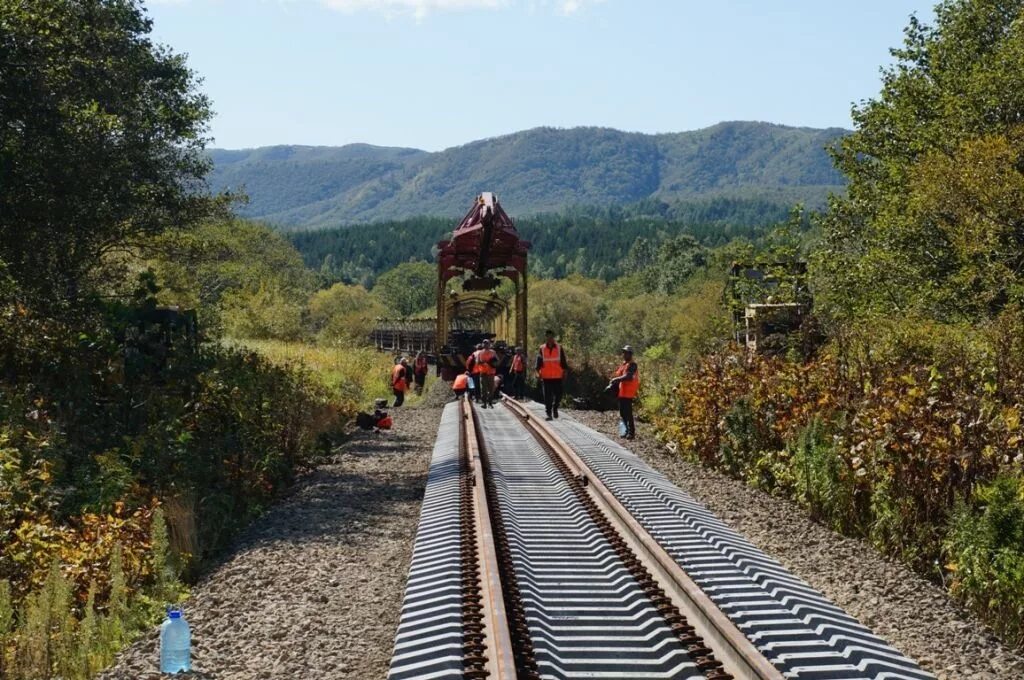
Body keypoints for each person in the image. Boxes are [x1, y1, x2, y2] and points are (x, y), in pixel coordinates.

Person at [535, 330, 569, 420]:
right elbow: (538, 363)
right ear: (546, 337)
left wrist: (565, 372)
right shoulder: (542, 348)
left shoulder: (559, 348)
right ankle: (548, 413)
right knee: (547, 396)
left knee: (559, 395)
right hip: (546, 377)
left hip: (558, 376)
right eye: (548, 337)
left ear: (553, 337)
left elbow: (563, 361)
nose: (549, 339)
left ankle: (555, 407)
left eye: (551, 337)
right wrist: (538, 373)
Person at [608, 345, 639, 440]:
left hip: (628, 393)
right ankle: (624, 431)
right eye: (624, 352)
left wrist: (616, 379)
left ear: (630, 354)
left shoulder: (633, 365)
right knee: (622, 413)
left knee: (628, 413)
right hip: (622, 392)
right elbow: (619, 375)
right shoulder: (624, 364)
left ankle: (631, 433)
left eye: (626, 352)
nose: (624, 354)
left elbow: (628, 377)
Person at [467, 339, 499, 408]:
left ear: (489, 344)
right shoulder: (480, 353)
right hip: (483, 373)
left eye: (487, 343)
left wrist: (493, 363)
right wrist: (484, 362)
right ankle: (484, 403)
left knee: (490, 389)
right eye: (484, 343)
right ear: (482, 345)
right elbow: (477, 362)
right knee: (483, 389)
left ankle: (490, 403)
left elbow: (497, 361)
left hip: (491, 373)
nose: (485, 345)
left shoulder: (493, 352)